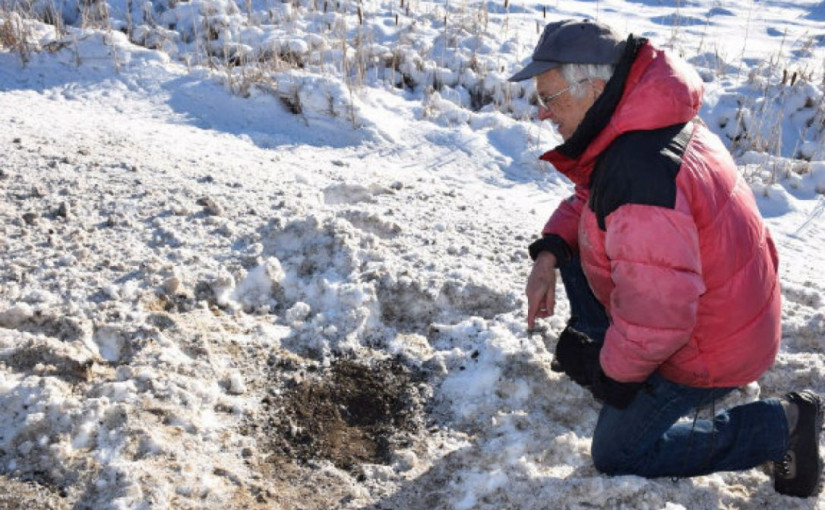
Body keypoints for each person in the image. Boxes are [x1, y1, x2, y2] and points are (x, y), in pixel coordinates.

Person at [510, 19, 823, 498]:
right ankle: (612, 350)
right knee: (573, 248)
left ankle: (783, 424)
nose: (542, 115)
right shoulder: (643, 117)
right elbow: (590, 200)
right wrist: (548, 254)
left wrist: (609, 376)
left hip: (711, 347)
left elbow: (660, 319)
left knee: (617, 453)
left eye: (549, 99)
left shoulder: (641, 173)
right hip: (725, 311)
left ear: (593, 87)